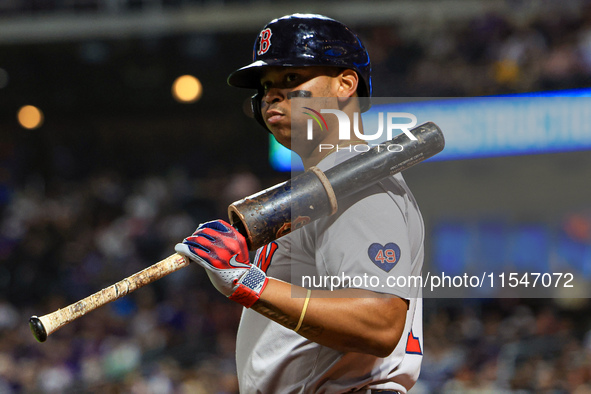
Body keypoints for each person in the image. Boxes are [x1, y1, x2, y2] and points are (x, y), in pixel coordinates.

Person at [175, 14, 424, 394]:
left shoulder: (356, 185)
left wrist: (249, 283)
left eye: (292, 79)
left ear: (345, 83)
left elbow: (380, 323)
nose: (272, 95)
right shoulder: (317, 187)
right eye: (266, 85)